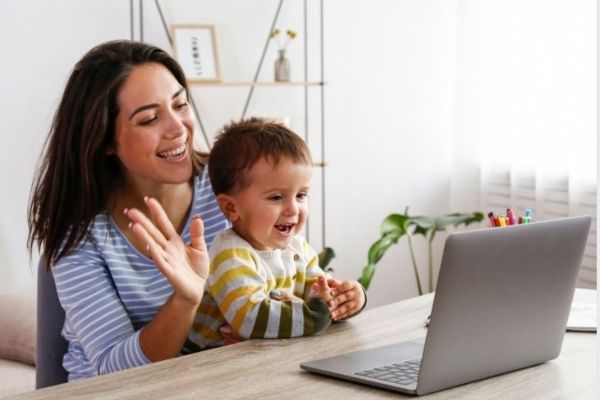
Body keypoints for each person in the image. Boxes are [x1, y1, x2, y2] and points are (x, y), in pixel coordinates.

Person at [27, 40, 230, 381]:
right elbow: (112, 369)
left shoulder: (229, 183)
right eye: (149, 119)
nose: (177, 128)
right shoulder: (79, 233)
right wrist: (185, 299)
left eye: (180, 104)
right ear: (105, 139)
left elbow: (283, 281)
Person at [187, 118, 366, 350]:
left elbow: (319, 295)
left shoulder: (297, 249)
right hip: (207, 365)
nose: (293, 209)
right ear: (231, 208)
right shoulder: (229, 253)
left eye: (301, 195)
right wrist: (315, 313)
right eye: (276, 197)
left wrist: (346, 299)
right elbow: (252, 318)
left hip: (260, 357)